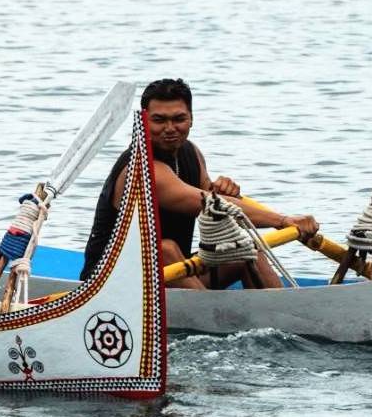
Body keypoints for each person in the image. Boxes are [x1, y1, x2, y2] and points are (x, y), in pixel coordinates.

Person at [80, 78, 319, 289]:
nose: (170, 129)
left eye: (179, 119)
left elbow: (211, 196)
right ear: (143, 123)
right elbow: (207, 204)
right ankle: (217, 319)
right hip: (113, 284)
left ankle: (281, 315)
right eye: (159, 120)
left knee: (247, 248)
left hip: (173, 276)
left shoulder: (191, 153)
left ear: (191, 120)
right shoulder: (143, 170)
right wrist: (283, 221)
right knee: (165, 249)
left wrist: (222, 188)